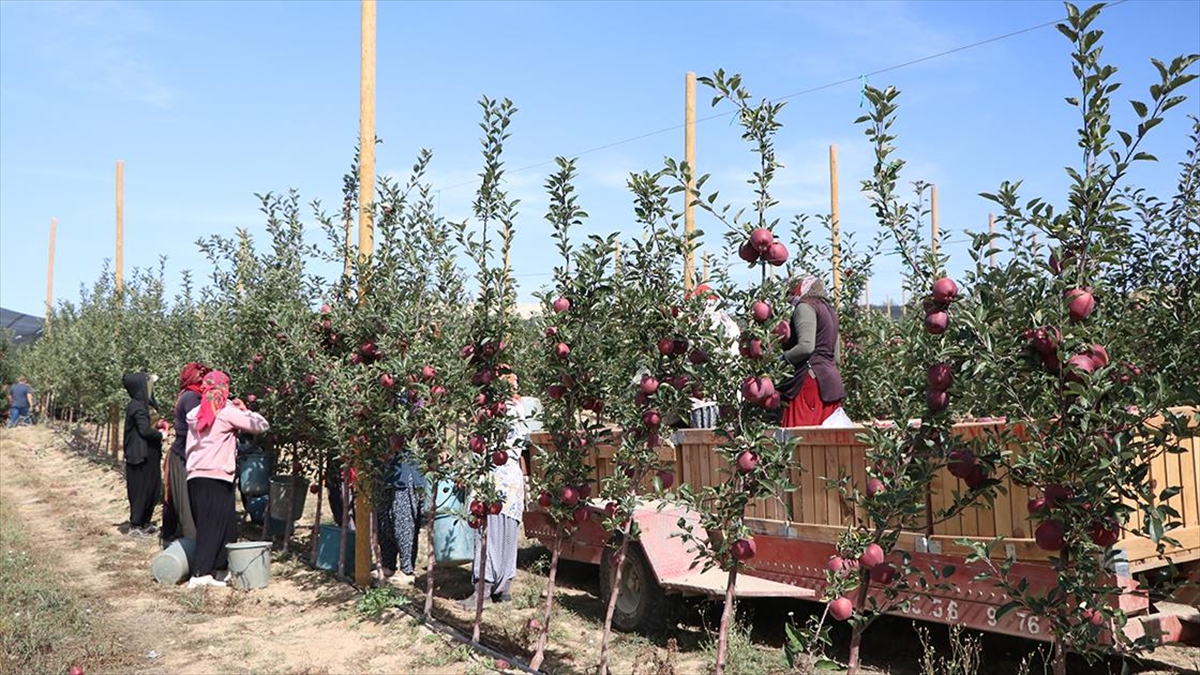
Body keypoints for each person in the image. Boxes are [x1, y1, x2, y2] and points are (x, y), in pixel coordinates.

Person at [185, 371, 270, 589]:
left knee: (222, 524)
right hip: (216, 475)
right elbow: (261, 426)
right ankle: (201, 574)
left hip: (195, 475)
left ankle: (219, 570)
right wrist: (245, 410)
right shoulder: (225, 411)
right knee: (213, 525)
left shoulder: (195, 412)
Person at [459, 373, 529, 608]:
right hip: (512, 480)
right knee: (508, 536)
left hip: (493, 478)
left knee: (486, 534)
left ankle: (484, 591)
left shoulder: (494, 410)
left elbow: (481, 444)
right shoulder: (522, 407)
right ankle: (504, 589)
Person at [779, 274, 846, 426]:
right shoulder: (829, 311)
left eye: (792, 289)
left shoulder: (805, 307)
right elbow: (836, 358)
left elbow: (806, 347)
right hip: (830, 383)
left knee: (800, 440)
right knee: (826, 443)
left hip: (810, 381)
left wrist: (782, 359)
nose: (790, 294)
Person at [162, 362, 209, 544]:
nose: (203, 381)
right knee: (186, 502)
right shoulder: (191, 398)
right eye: (200, 377)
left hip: (182, 454)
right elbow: (200, 424)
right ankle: (192, 544)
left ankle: (175, 537)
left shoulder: (190, 394)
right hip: (182, 456)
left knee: (178, 500)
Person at [123, 372, 169, 538]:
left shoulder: (145, 404)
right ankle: (136, 524)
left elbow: (150, 423)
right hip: (140, 454)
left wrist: (160, 423)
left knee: (152, 487)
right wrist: (161, 435)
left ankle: (145, 523)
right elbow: (144, 430)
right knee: (141, 489)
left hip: (149, 453)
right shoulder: (137, 406)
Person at [375, 445, 425, 585]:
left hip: (405, 473)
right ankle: (388, 565)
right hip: (384, 474)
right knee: (384, 523)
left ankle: (407, 570)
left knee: (403, 523)